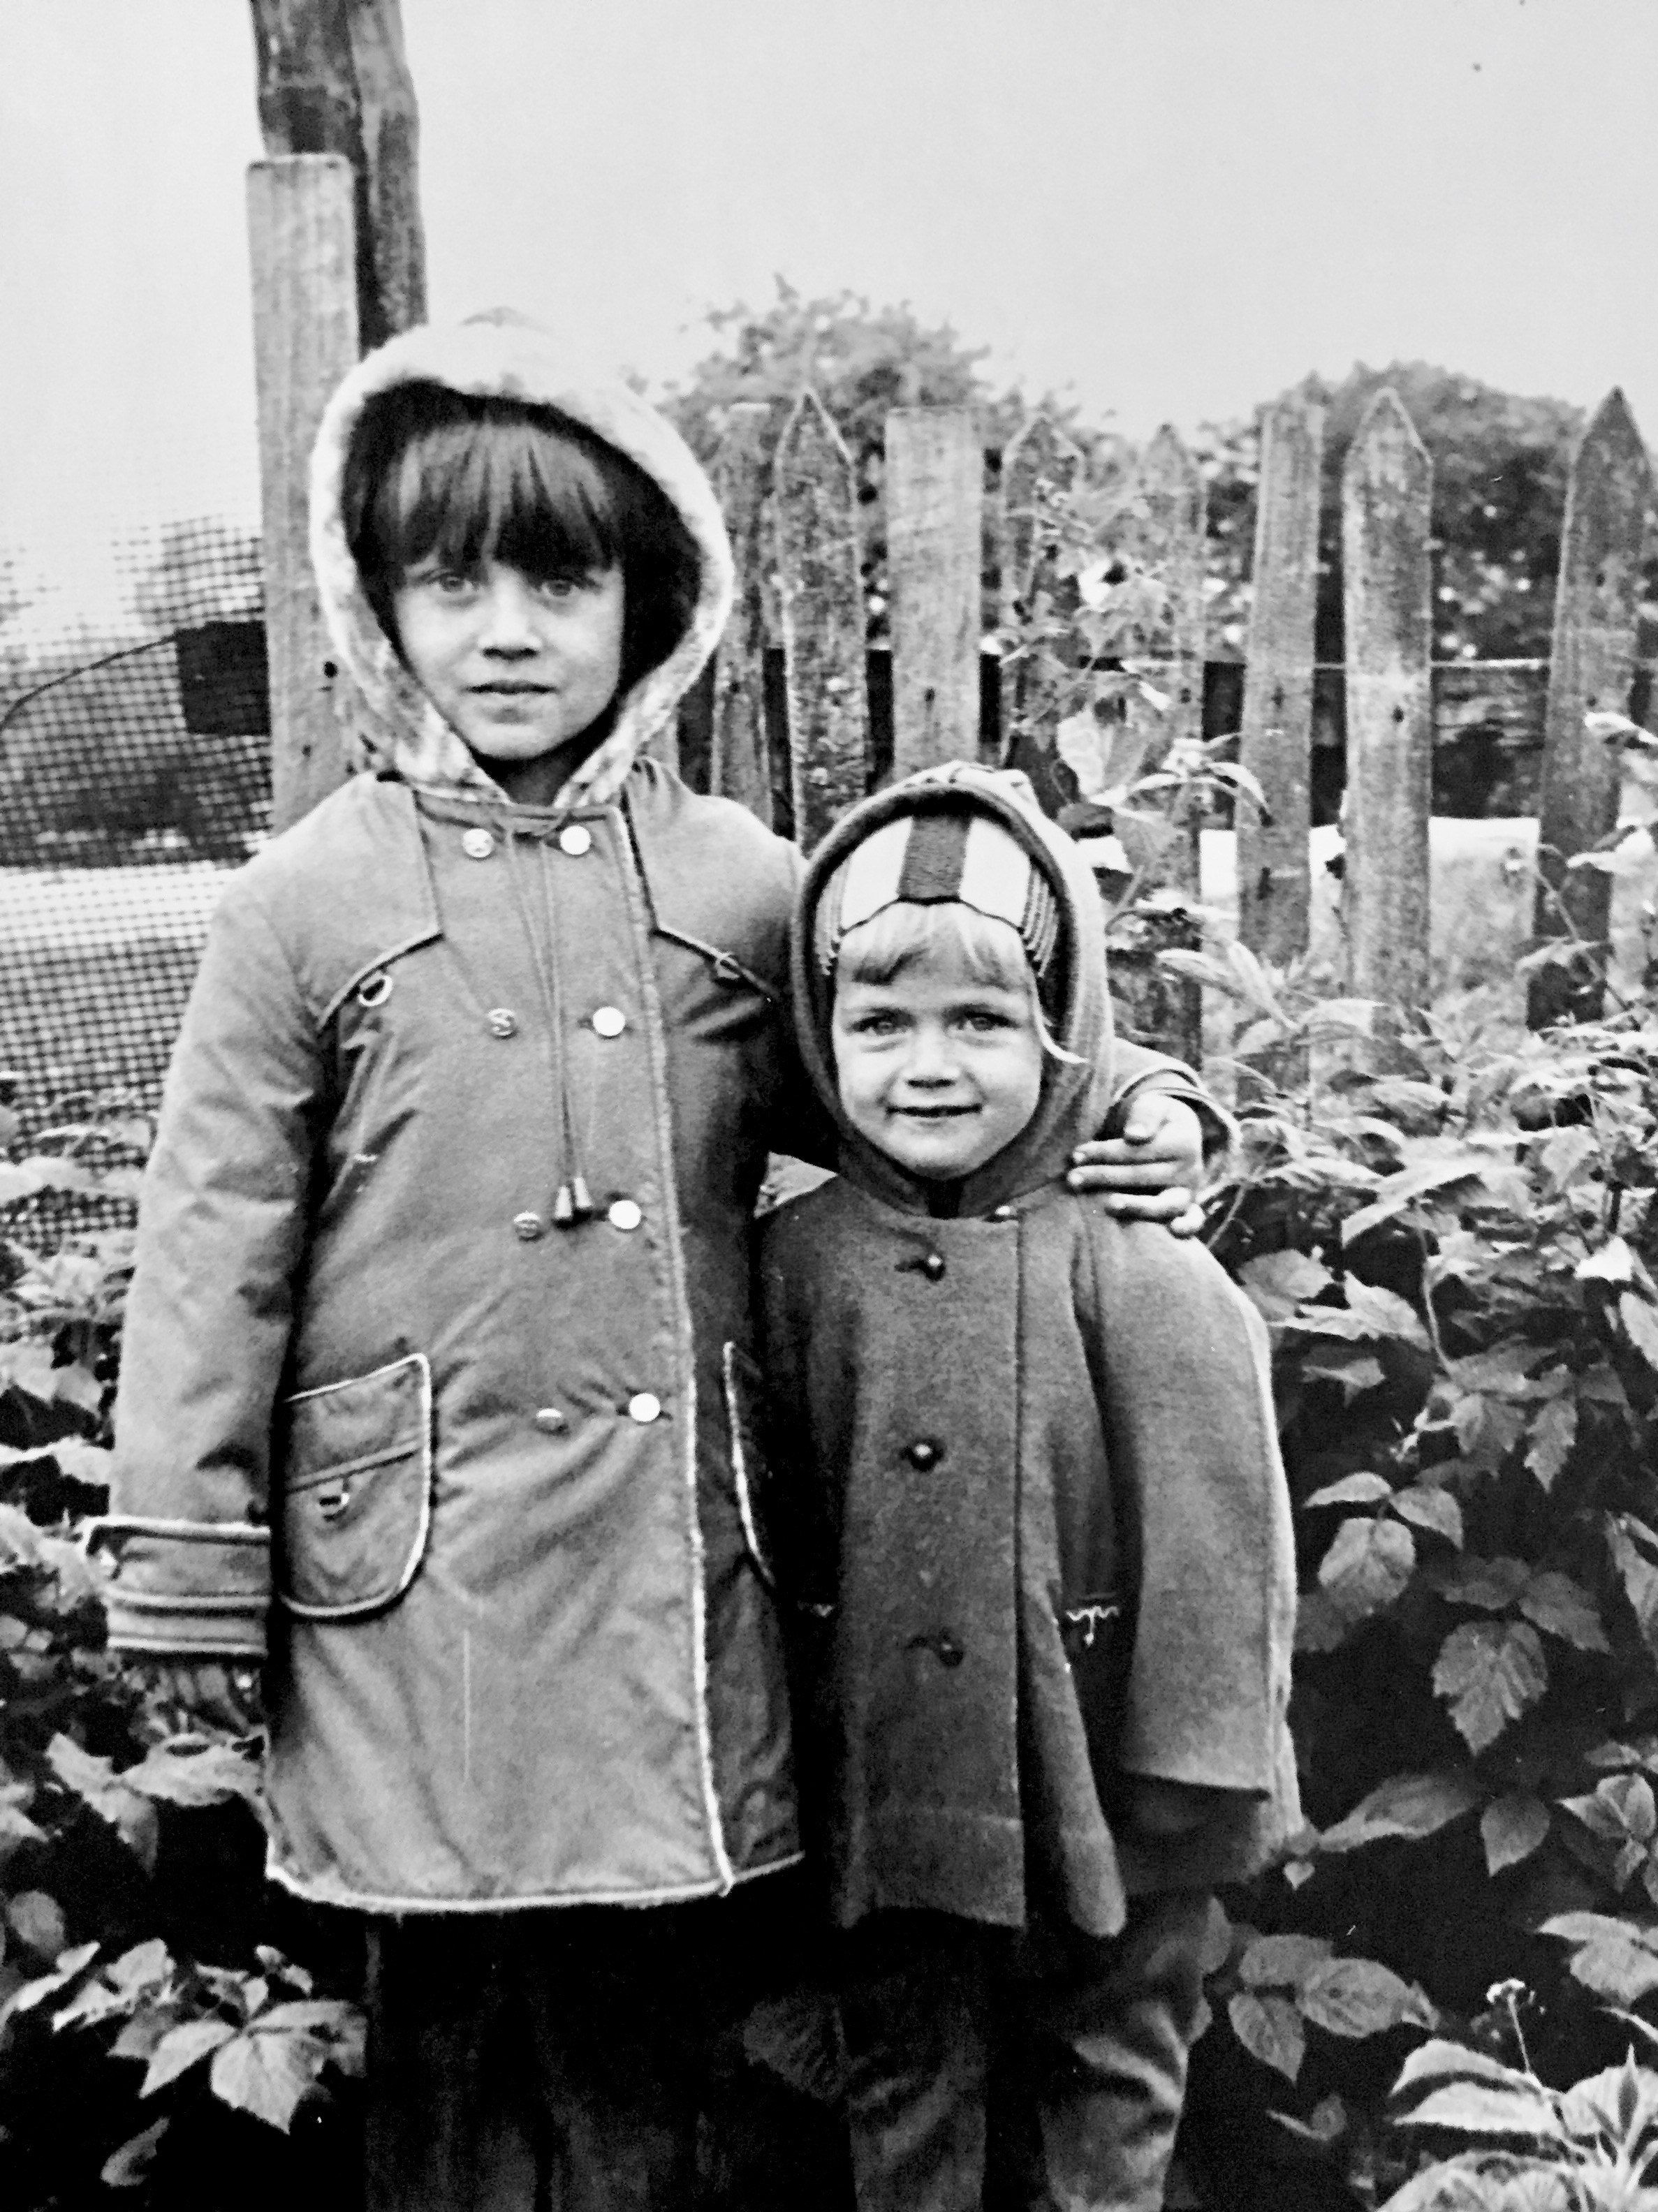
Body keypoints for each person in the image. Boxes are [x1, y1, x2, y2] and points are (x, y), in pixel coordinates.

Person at [93, 313, 1221, 2210]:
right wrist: (192, 1583)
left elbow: (925, 1039)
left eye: (559, 582)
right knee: (455, 2065)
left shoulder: (734, 887)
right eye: (450, 585)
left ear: (654, 604)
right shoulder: (302, 906)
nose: (504, 634)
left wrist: (1147, 1106)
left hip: (679, 1595)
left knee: (682, 2069)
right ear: (376, 606)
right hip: (421, 1600)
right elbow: (212, 1253)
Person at [757, 762, 1302, 2212]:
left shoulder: (1132, 1259)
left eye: (982, 1023)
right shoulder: (797, 1265)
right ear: (819, 1037)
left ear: (1059, 1031)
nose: (928, 1067)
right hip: (884, 1779)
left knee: (1110, 2067)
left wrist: (1196, 1778)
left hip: (1109, 1774)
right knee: (900, 2068)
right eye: (879, 1025)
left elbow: (1220, 1537)